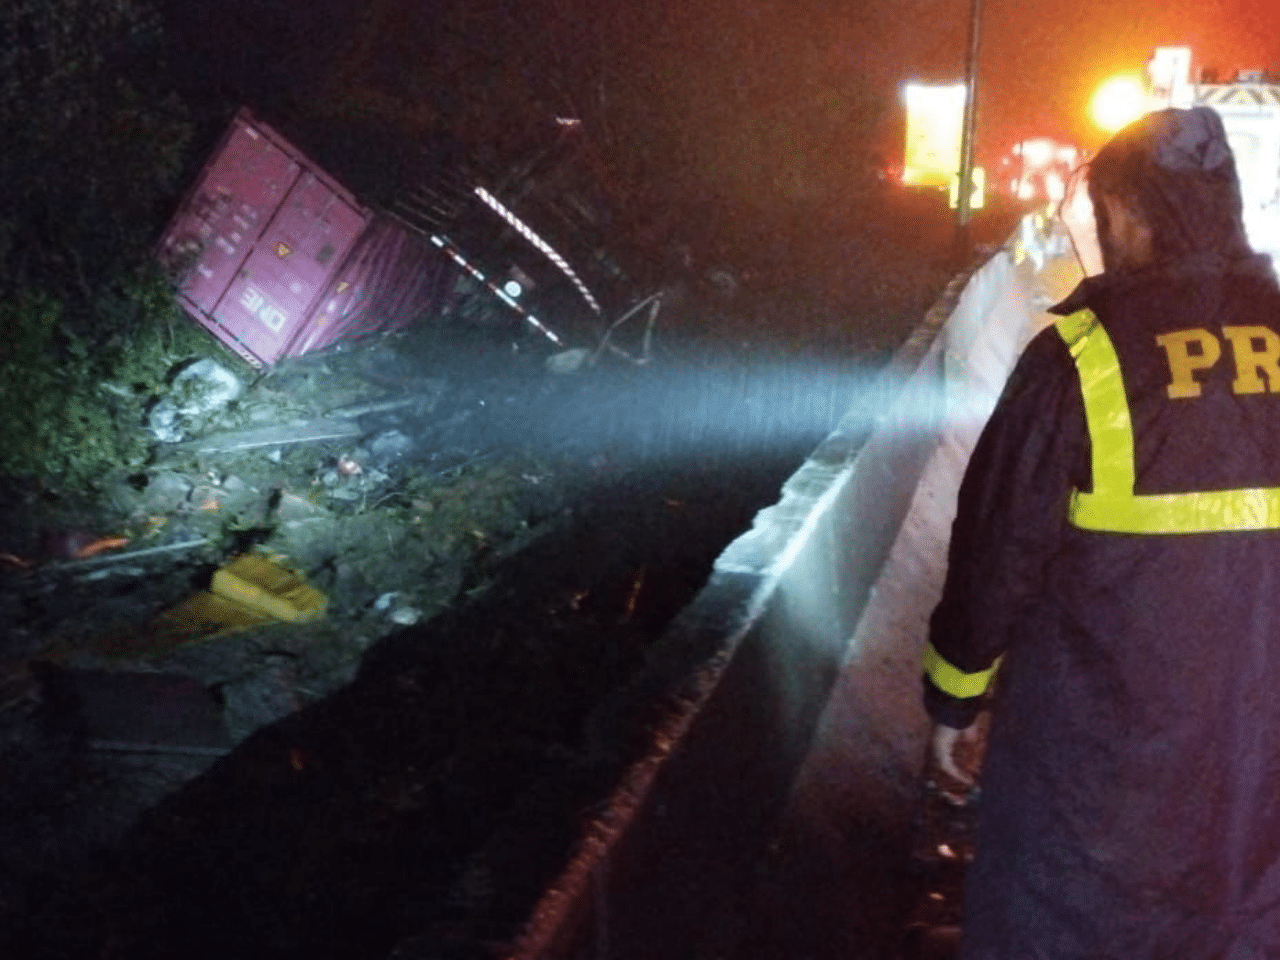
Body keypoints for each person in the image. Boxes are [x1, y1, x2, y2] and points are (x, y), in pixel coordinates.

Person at [922, 105, 1280, 959]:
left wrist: (955, 700)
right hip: (1258, 790)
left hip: (1093, 796)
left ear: (1127, 212)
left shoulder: (1081, 359)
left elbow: (996, 550)